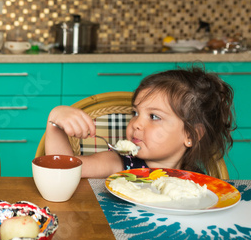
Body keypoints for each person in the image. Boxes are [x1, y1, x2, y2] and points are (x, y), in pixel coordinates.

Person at [45, 66, 235, 178]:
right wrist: (55, 122)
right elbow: (63, 170)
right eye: (135, 112)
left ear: (191, 135)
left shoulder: (197, 181)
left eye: (154, 116)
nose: (136, 123)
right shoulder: (120, 162)